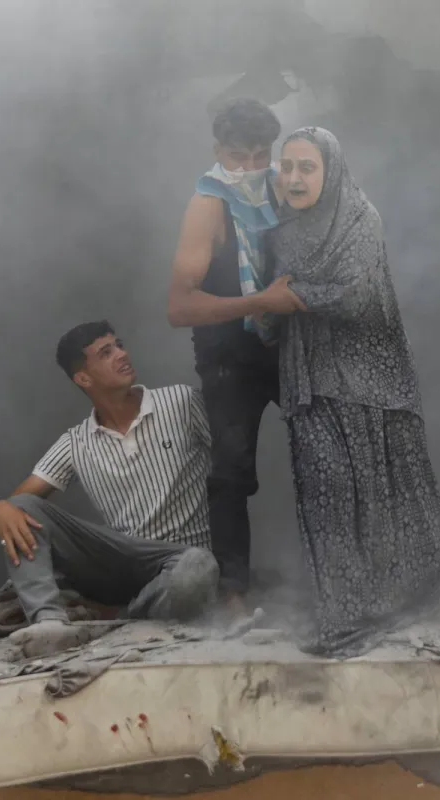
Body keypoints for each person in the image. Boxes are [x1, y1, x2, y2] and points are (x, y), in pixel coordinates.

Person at [267, 127, 440, 655]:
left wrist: (287, 298)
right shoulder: (279, 233)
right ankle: (345, 619)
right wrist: (264, 309)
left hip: (373, 381)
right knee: (326, 494)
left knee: (386, 496)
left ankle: (411, 600)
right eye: (287, 166)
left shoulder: (359, 219)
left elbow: (356, 295)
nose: (295, 178)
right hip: (311, 381)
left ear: (331, 172)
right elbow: (265, 311)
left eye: (307, 167)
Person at [0, 321, 219, 655]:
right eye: (106, 352)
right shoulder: (75, 442)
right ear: (83, 378)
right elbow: (15, 505)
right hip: (125, 561)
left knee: (197, 567)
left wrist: (236, 581)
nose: (122, 354)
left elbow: (233, 473)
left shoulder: (181, 401)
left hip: (184, 560)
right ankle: (49, 623)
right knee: (19, 507)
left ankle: (124, 619)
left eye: (119, 345)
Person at [166, 98, 301, 602]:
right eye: (236, 156)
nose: (248, 168)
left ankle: (342, 574)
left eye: (260, 155)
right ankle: (233, 595)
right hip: (227, 353)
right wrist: (260, 302)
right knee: (231, 467)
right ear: (217, 151)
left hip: (286, 344)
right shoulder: (207, 205)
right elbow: (179, 307)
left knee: (327, 446)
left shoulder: (285, 186)